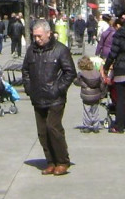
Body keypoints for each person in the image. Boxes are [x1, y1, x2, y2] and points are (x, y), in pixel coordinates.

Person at [23, 19, 77, 175]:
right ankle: (51, 161)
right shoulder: (31, 51)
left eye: (39, 36)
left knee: (53, 128)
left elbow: (70, 72)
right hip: (38, 97)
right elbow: (25, 71)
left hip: (55, 98)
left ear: (49, 33)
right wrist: (29, 88)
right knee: (42, 132)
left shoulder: (60, 50)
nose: (37, 39)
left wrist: (58, 89)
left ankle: (62, 161)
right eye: (35, 36)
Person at [74, 56, 107, 132]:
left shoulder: (81, 74)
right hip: (96, 95)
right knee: (95, 111)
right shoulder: (97, 73)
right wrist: (102, 94)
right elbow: (102, 84)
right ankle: (96, 126)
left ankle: (87, 126)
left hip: (86, 96)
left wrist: (82, 84)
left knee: (87, 111)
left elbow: (76, 82)